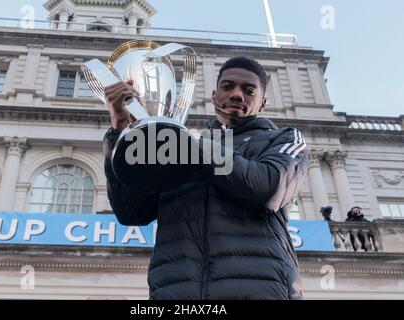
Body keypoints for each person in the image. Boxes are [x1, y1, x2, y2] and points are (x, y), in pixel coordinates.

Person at [102, 56, 309, 300]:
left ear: (262, 103)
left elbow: (268, 187)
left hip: (259, 290)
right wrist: (119, 133)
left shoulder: (284, 139)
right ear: (213, 96)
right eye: (228, 86)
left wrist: (191, 144)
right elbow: (130, 212)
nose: (237, 95)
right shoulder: (181, 147)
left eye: (248, 90)